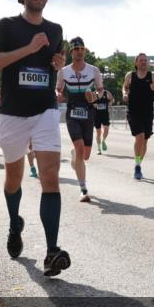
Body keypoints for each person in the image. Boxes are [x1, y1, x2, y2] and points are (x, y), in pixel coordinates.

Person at [0, 0, 71, 278]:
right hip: (12, 114)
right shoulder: (5, 26)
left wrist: (57, 65)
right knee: (13, 179)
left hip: (45, 109)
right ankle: (14, 222)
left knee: (50, 176)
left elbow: (52, 66)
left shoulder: (56, 30)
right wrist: (29, 49)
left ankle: (51, 251)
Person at [56, 36, 102, 201]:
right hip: (73, 113)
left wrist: (94, 96)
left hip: (88, 113)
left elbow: (101, 90)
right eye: (76, 49)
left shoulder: (94, 70)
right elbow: (59, 90)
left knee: (85, 155)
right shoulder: (64, 71)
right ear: (71, 52)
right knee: (81, 149)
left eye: (82, 49)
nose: (79, 52)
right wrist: (59, 96)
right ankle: (83, 189)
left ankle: (75, 156)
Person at [123, 53, 154, 180]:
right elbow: (124, 87)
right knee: (140, 136)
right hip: (133, 112)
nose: (143, 62)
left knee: (145, 140)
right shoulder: (130, 75)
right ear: (136, 63)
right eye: (141, 60)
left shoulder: (153, 76)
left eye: (145, 60)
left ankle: (138, 164)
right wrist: (125, 94)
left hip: (147, 113)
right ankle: (137, 166)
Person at [93, 86, 115, 155]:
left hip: (105, 115)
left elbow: (112, 100)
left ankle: (103, 141)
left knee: (106, 130)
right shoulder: (94, 94)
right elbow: (92, 104)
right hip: (97, 116)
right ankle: (99, 148)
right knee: (98, 133)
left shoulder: (107, 93)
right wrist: (94, 103)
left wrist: (111, 102)